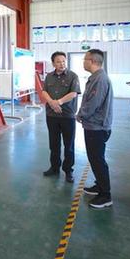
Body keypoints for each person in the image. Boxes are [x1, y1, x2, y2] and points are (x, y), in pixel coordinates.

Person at [76, 49, 114, 209]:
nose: (83, 62)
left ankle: (105, 195)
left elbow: (93, 103)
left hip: (97, 127)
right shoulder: (96, 77)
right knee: (95, 158)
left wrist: (80, 114)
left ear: (92, 61)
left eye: (85, 59)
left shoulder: (100, 79)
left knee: (97, 160)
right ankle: (100, 185)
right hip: (94, 125)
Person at [42, 51, 81, 183]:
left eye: (63, 61)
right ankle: (54, 168)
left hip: (67, 115)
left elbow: (74, 93)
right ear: (53, 63)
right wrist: (51, 103)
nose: (62, 64)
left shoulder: (73, 76)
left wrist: (58, 102)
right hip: (51, 115)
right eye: (58, 61)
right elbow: (44, 91)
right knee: (54, 144)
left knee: (68, 145)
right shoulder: (49, 77)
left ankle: (68, 170)